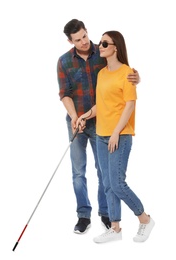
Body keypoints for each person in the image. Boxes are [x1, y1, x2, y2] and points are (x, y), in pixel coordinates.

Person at [57, 19, 140, 234]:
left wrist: (136, 77)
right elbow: (64, 93)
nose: (84, 42)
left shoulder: (102, 51)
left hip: (103, 122)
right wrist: (76, 117)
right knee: (78, 171)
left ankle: (107, 214)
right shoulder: (64, 61)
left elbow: (121, 74)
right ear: (70, 40)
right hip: (78, 120)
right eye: (78, 39)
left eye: (85, 36)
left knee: (104, 172)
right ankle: (84, 216)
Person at [76, 30, 155, 243]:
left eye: (104, 43)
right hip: (101, 134)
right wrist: (86, 115)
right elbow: (101, 105)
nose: (99, 46)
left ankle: (145, 219)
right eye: (99, 43)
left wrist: (116, 133)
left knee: (118, 183)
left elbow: (130, 105)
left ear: (115, 47)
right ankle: (116, 228)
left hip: (119, 135)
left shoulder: (127, 73)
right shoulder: (102, 74)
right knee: (108, 183)